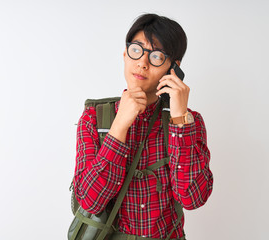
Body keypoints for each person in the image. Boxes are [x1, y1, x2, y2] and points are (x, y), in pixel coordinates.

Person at [72, 13, 213, 239]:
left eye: (156, 56)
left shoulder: (188, 121)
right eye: (136, 50)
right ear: (125, 54)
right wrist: (119, 126)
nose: (142, 63)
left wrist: (179, 119)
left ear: (173, 67)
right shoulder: (95, 117)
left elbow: (193, 198)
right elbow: (89, 201)